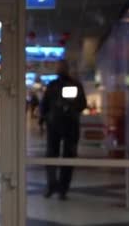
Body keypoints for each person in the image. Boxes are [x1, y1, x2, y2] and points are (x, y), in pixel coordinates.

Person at [39, 60, 87, 200]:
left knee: (68, 157)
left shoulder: (75, 85)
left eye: (62, 67)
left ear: (67, 68)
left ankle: (62, 189)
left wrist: (69, 108)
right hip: (55, 125)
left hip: (70, 125)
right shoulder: (53, 85)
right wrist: (46, 117)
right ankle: (52, 185)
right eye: (58, 67)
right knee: (51, 156)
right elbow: (44, 105)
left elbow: (82, 104)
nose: (59, 69)